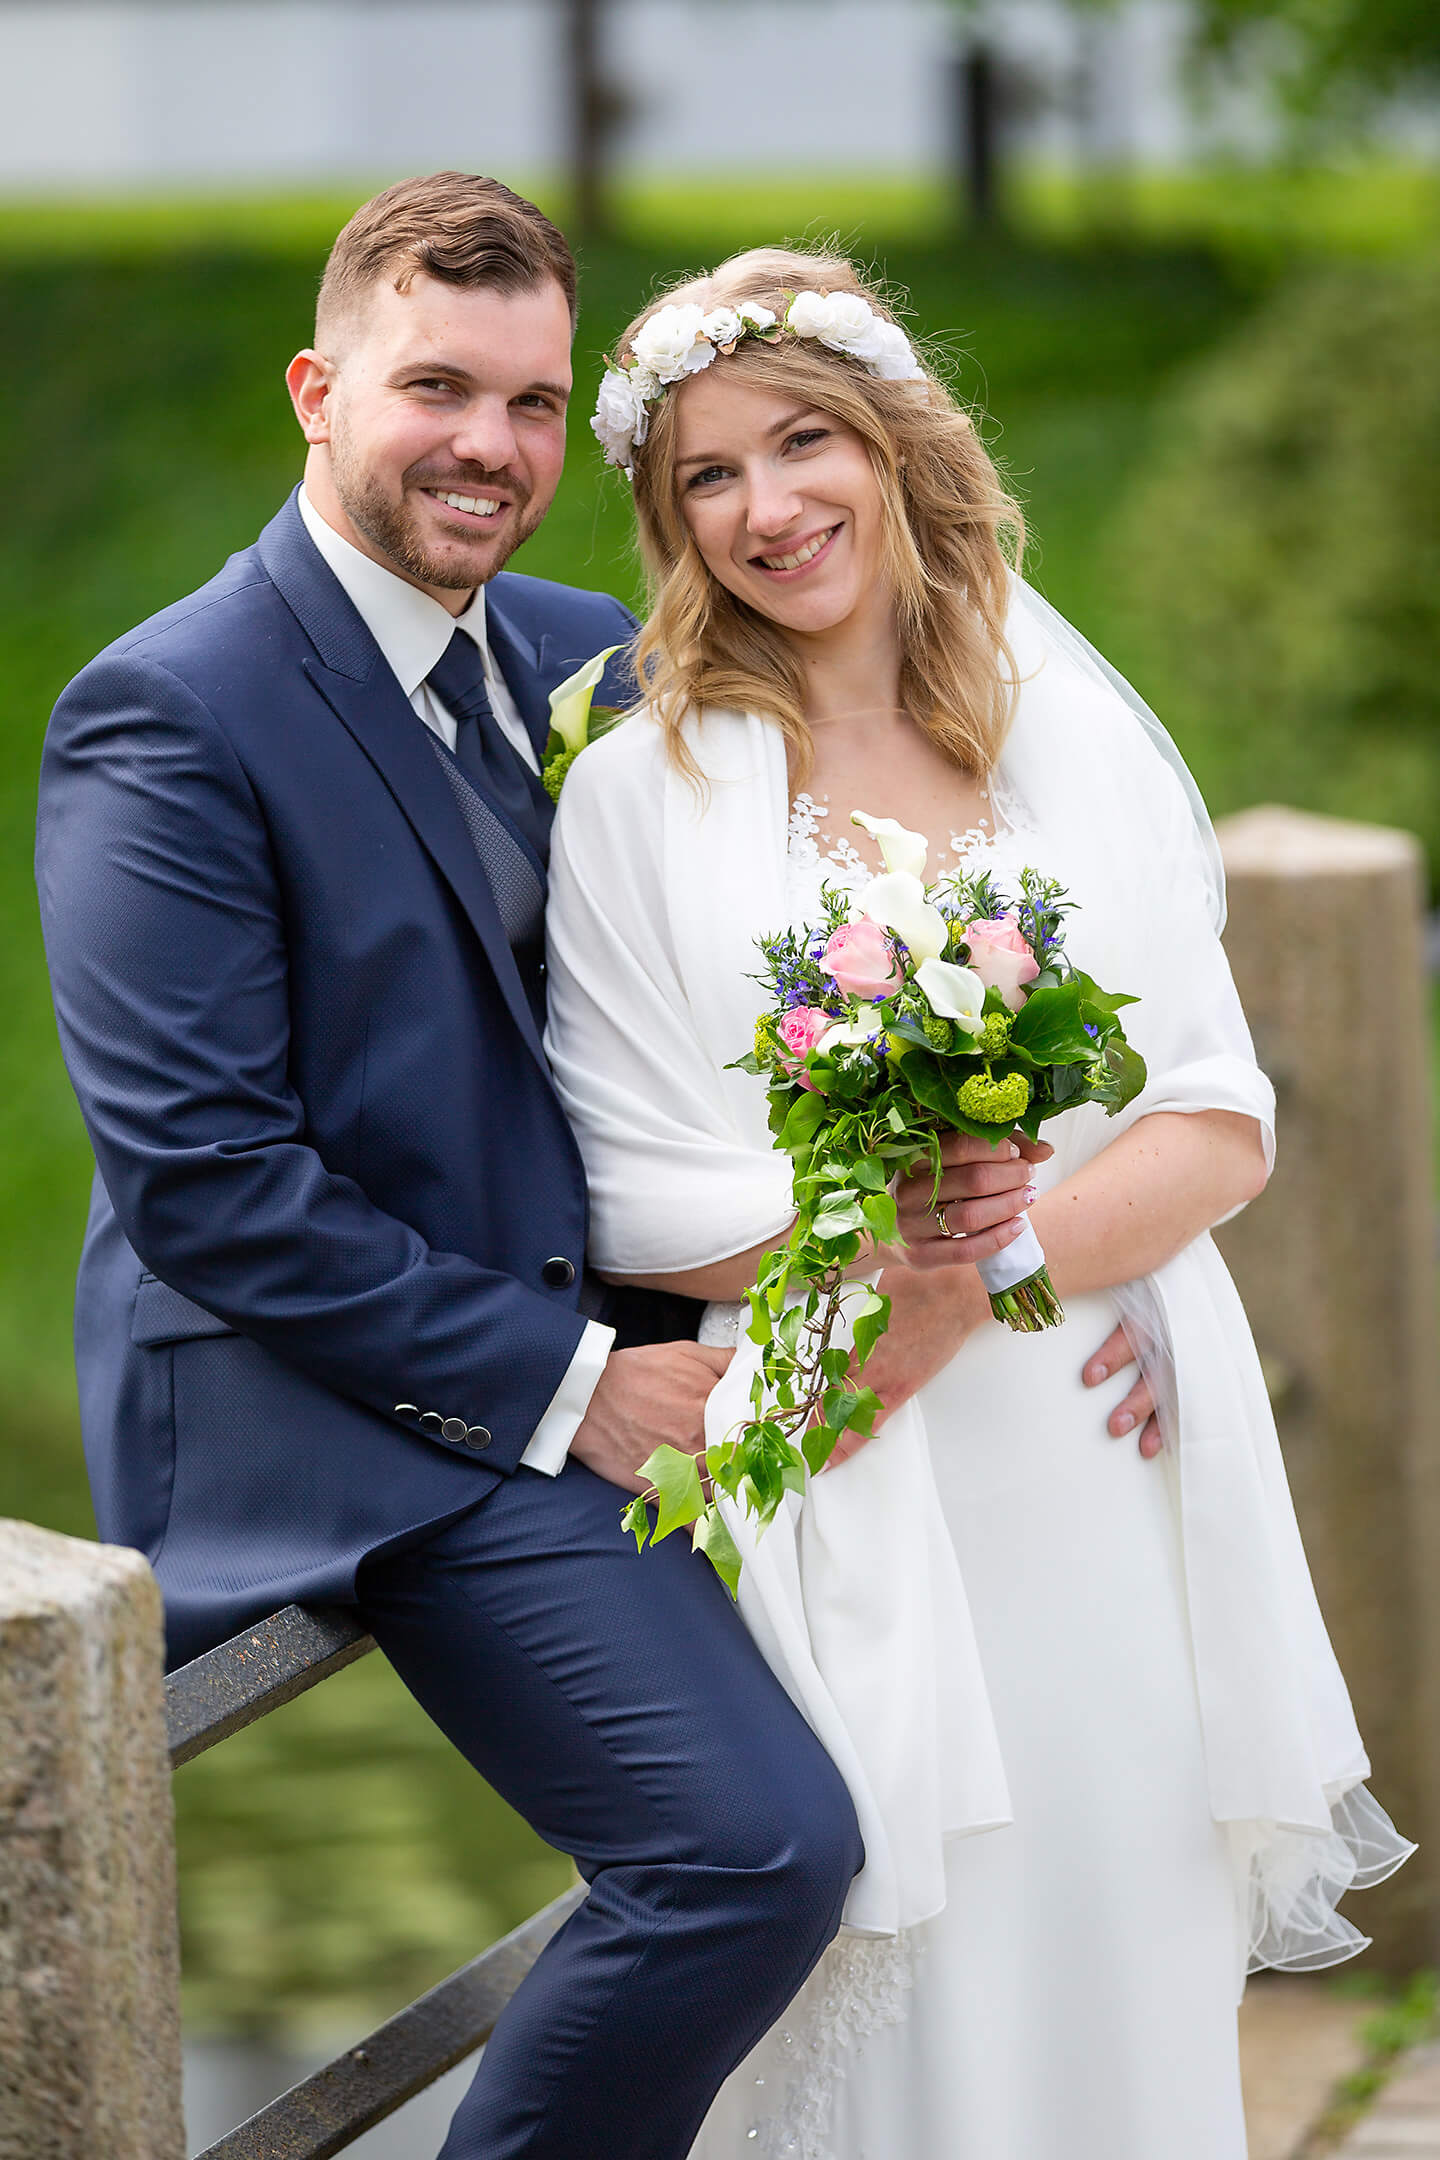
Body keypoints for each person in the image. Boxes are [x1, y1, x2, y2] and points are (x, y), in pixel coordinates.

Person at [34, 177, 873, 2160]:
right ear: (318, 392)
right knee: (749, 1847)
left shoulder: (596, 654)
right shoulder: (171, 714)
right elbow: (209, 1184)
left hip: (644, 1326)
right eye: (437, 389)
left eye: (529, 401)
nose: (490, 448)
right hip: (361, 1407)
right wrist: (583, 1390)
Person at [544, 246, 1413, 2159]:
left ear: (890, 444)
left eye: (803, 443)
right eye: (708, 475)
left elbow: (1213, 1120)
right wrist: (906, 1252)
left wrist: (1005, 1257)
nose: (769, 507)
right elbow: (638, 1192)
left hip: (1101, 1451)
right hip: (846, 1440)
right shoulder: (639, 793)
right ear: (670, 520)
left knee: (1115, 1931)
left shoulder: (1058, 732)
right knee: (889, 1977)